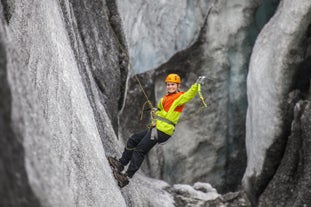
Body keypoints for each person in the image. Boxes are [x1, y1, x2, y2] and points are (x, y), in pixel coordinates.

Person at [109, 73, 205, 187]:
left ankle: (126, 177)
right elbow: (161, 110)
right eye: (169, 84)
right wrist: (156, 111)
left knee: (140, 150)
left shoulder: (180, 97)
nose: (170, 87)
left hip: (163, 131)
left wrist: (196, 84)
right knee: (133, 140)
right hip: (157, 129)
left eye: (173, 85)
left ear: (178, 86)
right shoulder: (165, 98)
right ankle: (120, 164)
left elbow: (189, 94)